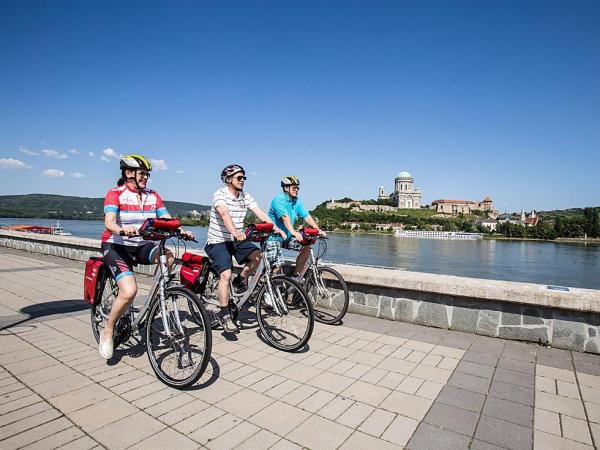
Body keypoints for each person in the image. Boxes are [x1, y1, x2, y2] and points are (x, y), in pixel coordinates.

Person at [99, 154, 193, 359]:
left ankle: (158, 293)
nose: (146, 177)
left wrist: (181, 230)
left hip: (141, 245)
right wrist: (122, 230)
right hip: (117, 245)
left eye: (147, 174)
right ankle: (107, 330)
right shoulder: (115, 193)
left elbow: (166, 218)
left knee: (167, 256)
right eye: (142, 173)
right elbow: (109, 222)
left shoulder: (153, 195)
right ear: (128, 173)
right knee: (129, 291)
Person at [205, 164, 284, 333]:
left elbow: (259, 212)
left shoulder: (245, 196)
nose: (242, 181)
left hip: (236, 239)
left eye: (244, 178)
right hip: (218, 241)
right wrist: (234, 231)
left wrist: (273, 226)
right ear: (228, 179)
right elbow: (224, 214)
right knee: (225, 274)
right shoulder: (220, 194)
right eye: (239, 178)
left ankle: (240, 279)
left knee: (258, 256)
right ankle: (225, 314)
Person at [266, 176, 325, 276]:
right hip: (273, 238)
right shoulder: (278, 200)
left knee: (306, 244)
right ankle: (269, 285)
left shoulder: (296, 201)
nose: (297, 190)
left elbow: (307, 217)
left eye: (298, 188)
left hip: (287, 237)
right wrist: (293, 232)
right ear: (286, 188)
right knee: (277, 265)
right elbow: (285, 217)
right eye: (294, 188)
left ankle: (296, 277)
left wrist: (318, 229)